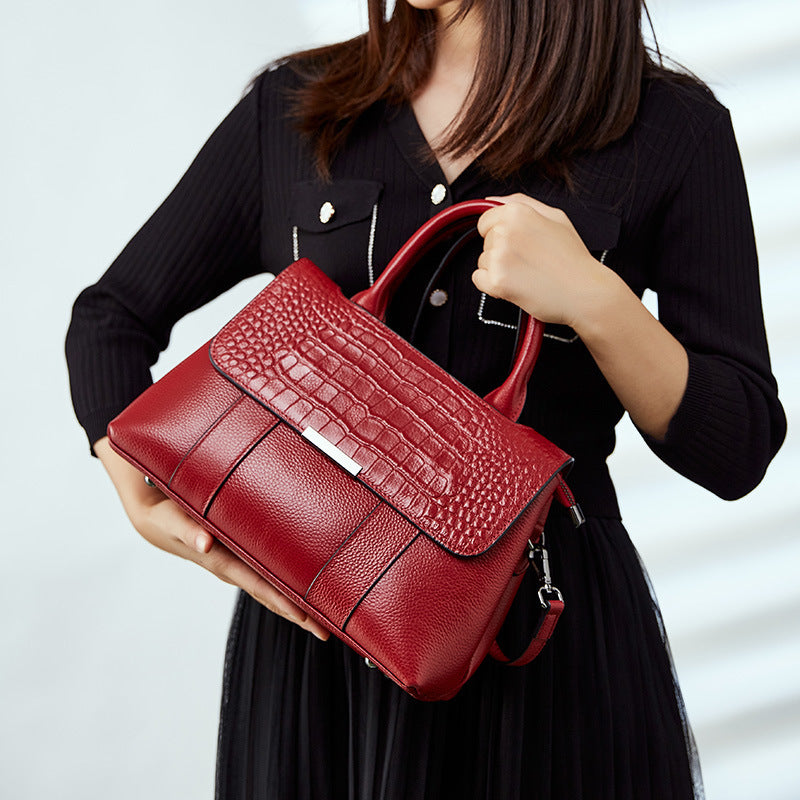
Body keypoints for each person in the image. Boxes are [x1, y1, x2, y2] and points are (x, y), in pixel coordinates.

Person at [66, 1, 787, 797]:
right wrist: (133, 482)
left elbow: (737, 444)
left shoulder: (671, 130)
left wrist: (597, 299)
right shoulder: (296, 107)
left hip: (539, 644)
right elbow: (112, 317)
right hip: (318, 639)